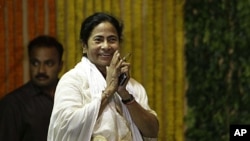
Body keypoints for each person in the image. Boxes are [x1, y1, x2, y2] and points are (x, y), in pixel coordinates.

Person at [48, 12, 159, 141]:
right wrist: (109, 90)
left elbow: (152, 131)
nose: (106, 46)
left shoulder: (132, 86)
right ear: (84, 46)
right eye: (98, 40)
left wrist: (125, 95)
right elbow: (66, 130)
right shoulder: (72, 81)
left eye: (112, 39)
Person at [0, 35, 64, 141]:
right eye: (35, 63)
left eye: (49, 63)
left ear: (60, 66)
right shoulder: (13, 104)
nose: (41, 70)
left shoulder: (73, 96)